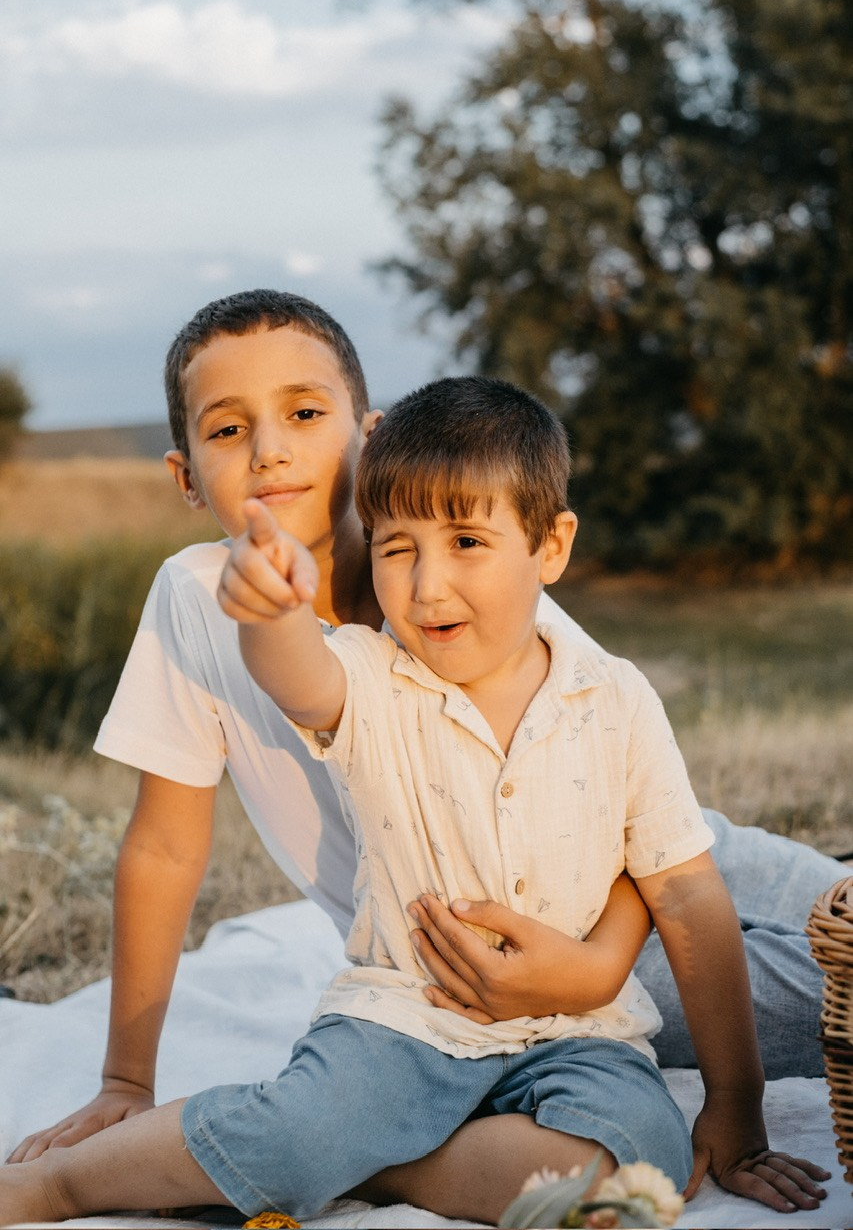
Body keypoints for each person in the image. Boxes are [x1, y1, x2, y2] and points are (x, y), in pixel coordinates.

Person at [3, 290, 842, 1216]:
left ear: (368, 432)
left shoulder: (465, 565)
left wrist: (598, 966)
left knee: (832, 934)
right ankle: (330, 1147)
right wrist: (126, 1078)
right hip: (450, 969)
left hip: (627, 906)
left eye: (306, 414)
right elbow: (169, 839)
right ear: (185, 473)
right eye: (231, 427)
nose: (271, 449)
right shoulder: (221, 607)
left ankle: (361, 1152)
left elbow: (647, 835)